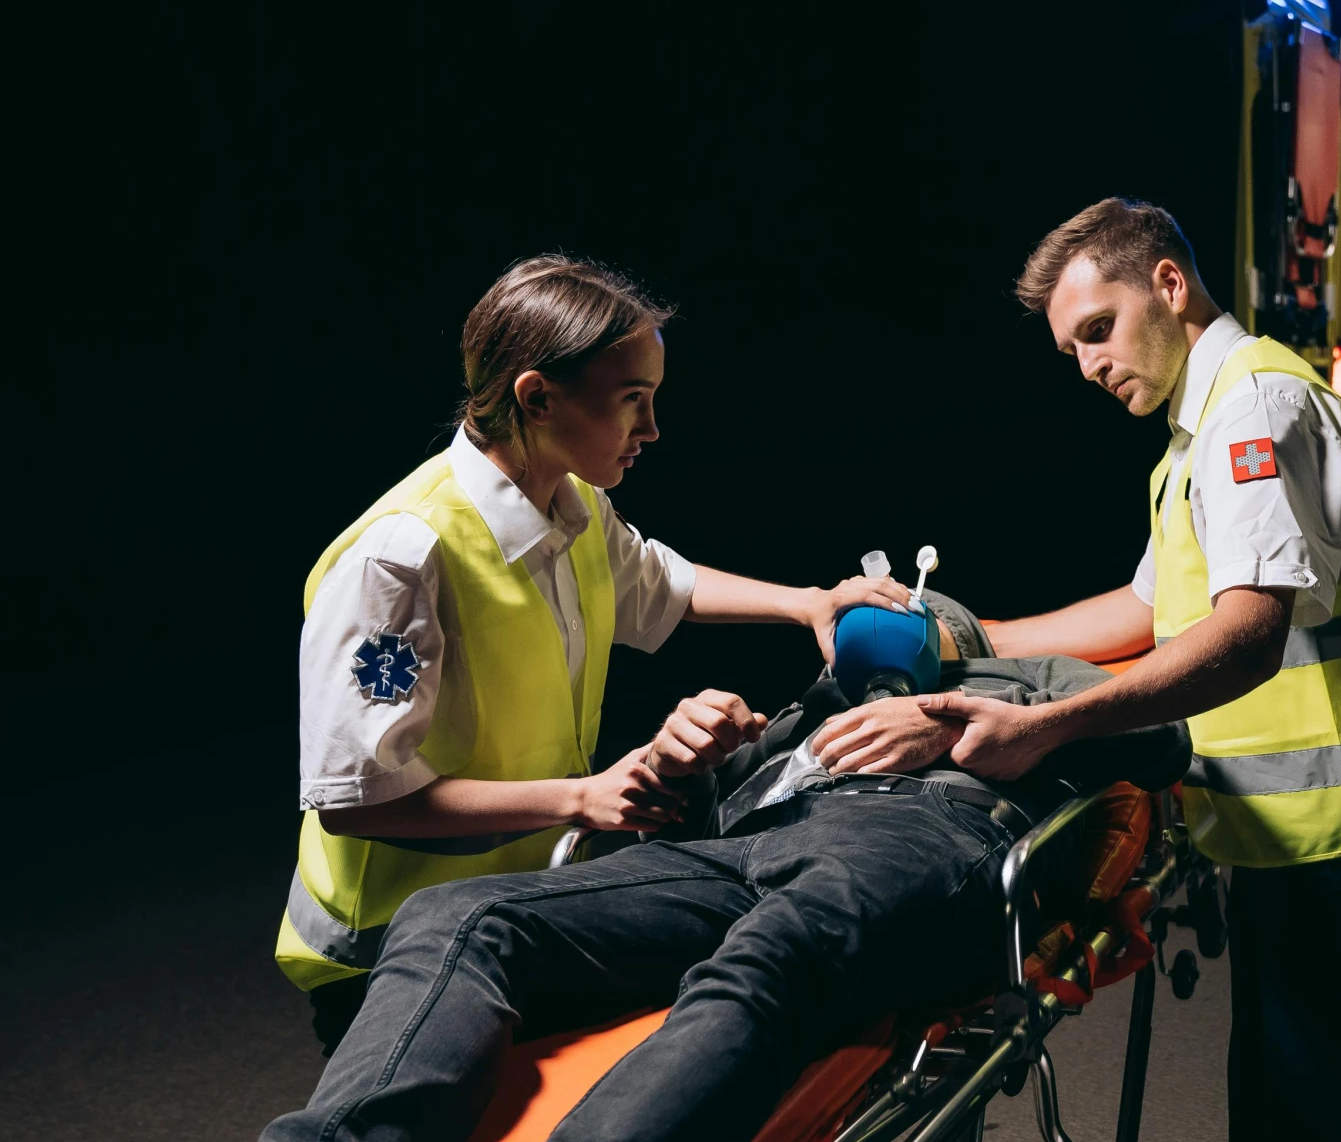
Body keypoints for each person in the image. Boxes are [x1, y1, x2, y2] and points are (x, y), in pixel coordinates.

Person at [0, 594, 1187, 1142]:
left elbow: (1159, 733)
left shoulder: (1039, 683)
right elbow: (673, 810)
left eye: (938, 623)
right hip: (748, 836)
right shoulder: (815, 706)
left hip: (929, 840)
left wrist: (970, 723)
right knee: (464, 920)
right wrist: (692, 754)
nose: (911, 628)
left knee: (766, 965)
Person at [918, 199, 1341, 1142]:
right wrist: (967, 640)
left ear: (1168, 283)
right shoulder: (1202, 426)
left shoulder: (1254, 406)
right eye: (1072, 352)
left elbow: (1245, 636)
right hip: (1295, 844)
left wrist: (1053, 726)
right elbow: (1144, 605)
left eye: (1099, 330)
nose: (1092, 364)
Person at [284, 255, 913, 1051]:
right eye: (631, 402)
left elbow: (663, 583)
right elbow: (357, 801)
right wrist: (582, 798)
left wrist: (809, 603)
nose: (651, 429)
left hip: (513, 910)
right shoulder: (400, 560)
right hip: (388, 953)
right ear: (537, 396)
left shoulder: (573, 503)